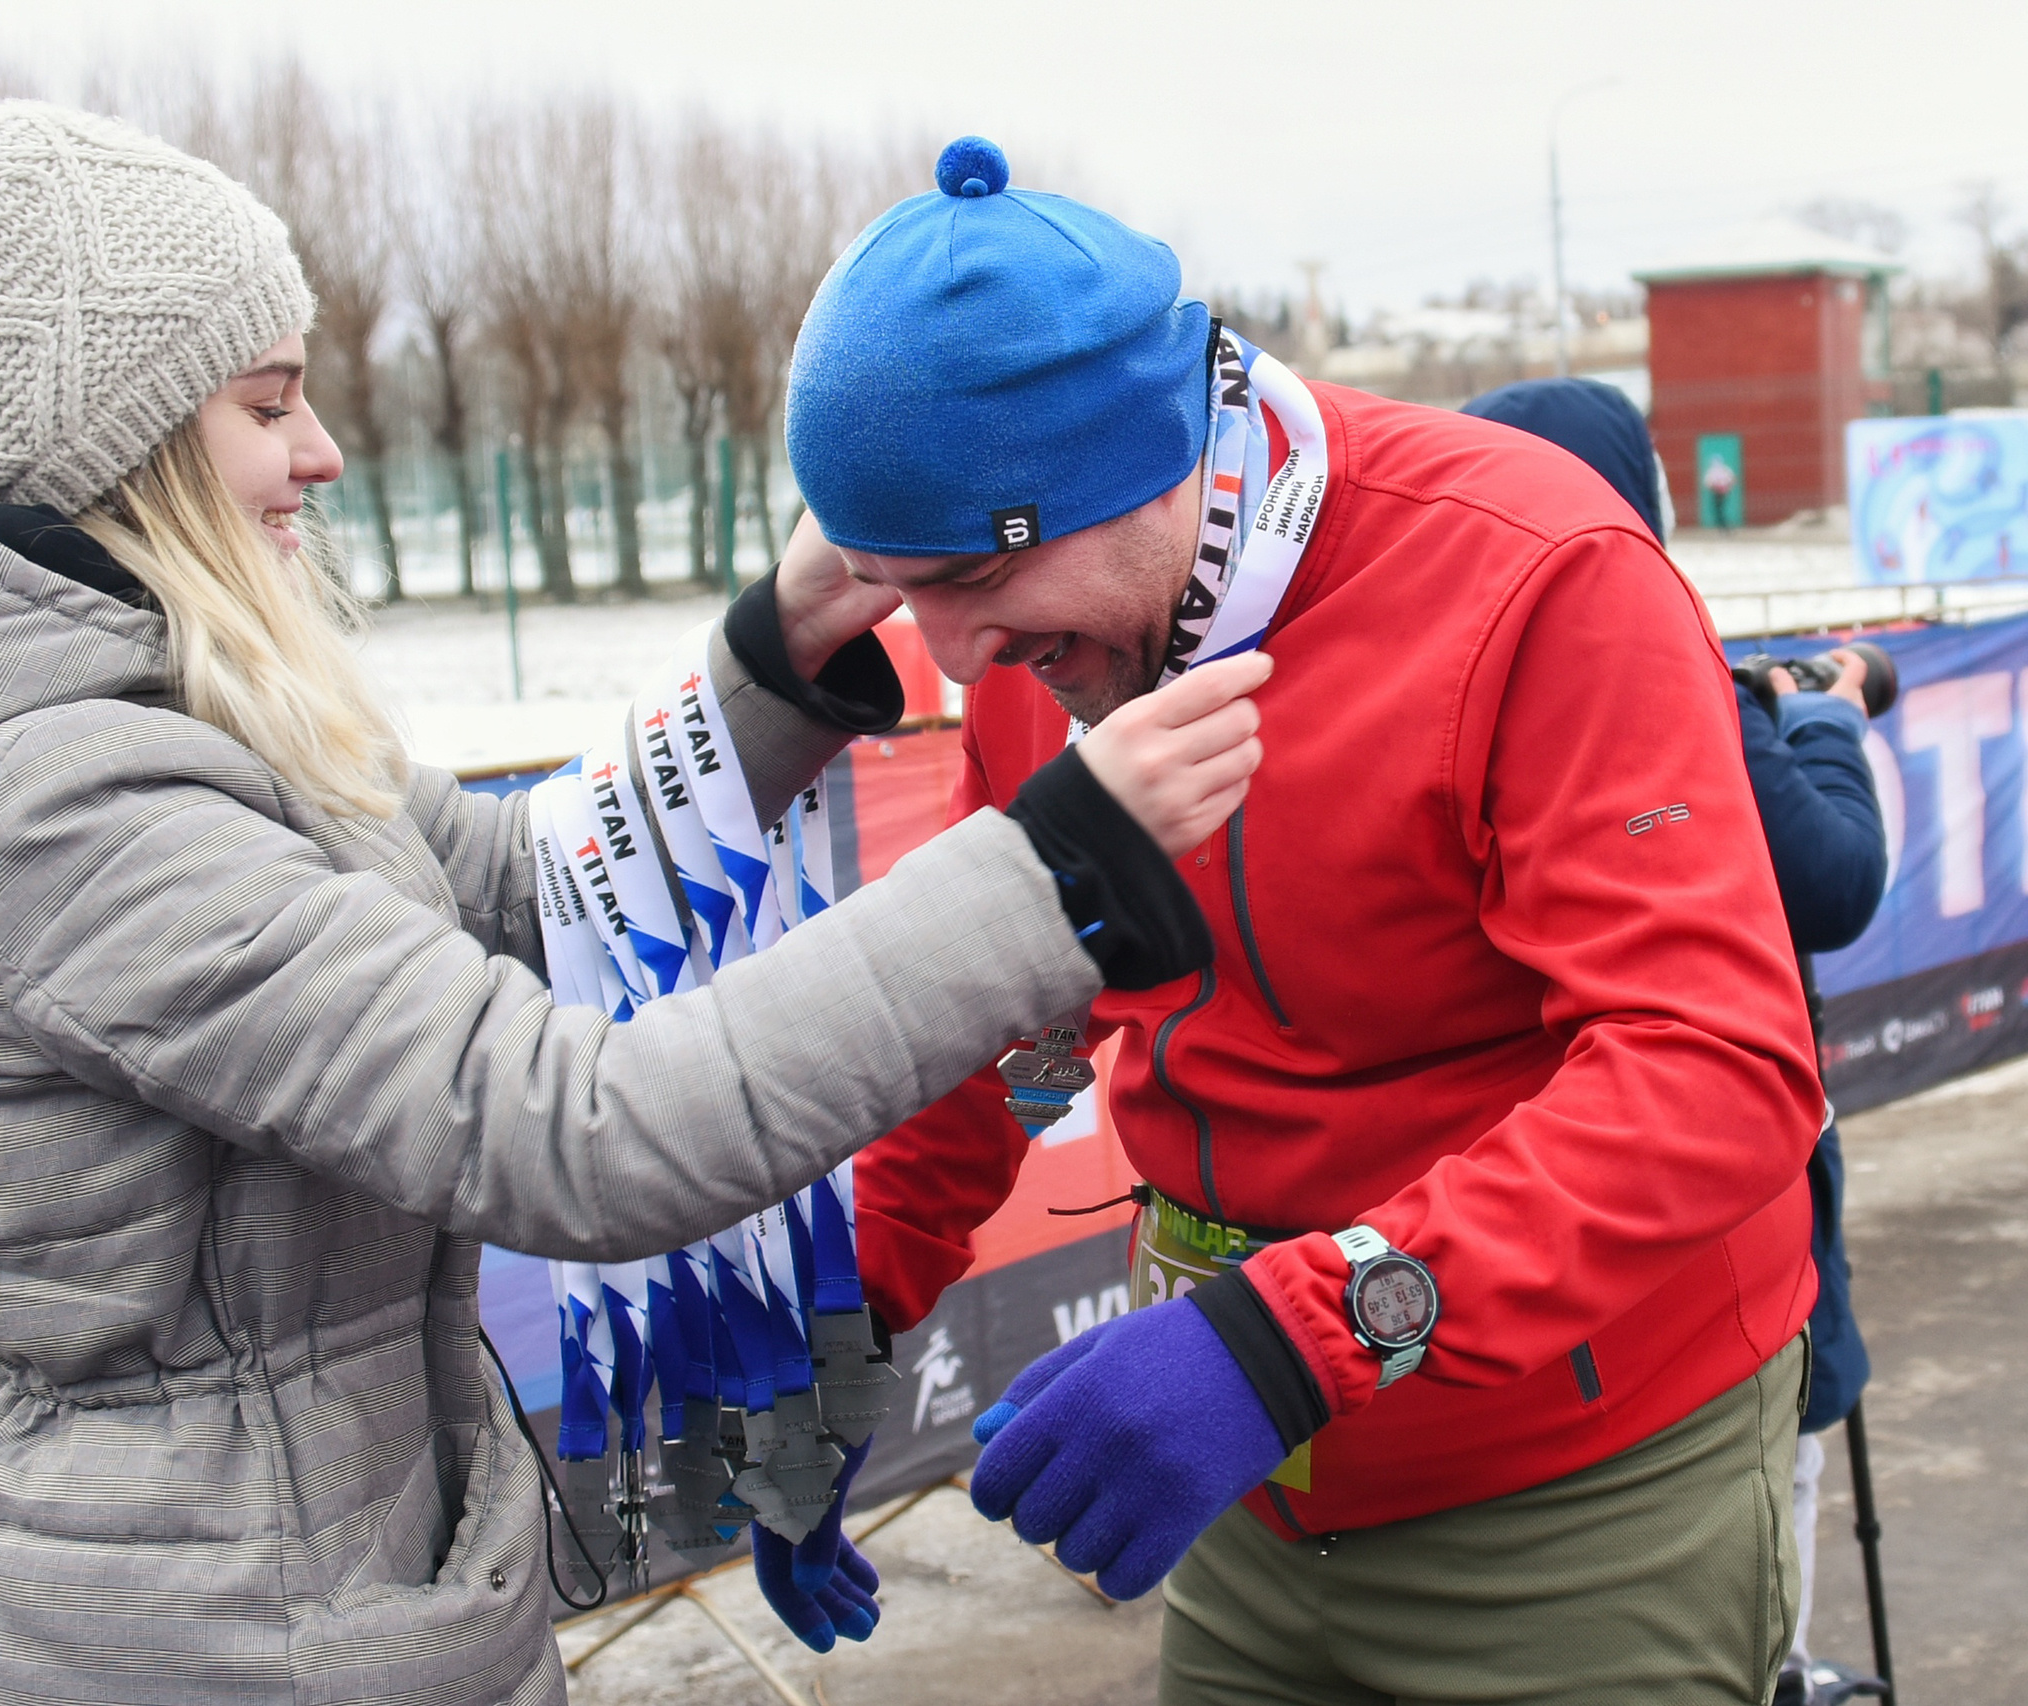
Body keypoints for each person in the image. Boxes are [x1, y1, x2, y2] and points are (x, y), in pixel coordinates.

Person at [0, 72, 1257, 1706]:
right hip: (220, 1641)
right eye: (264, 401)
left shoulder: (181, 720)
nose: (319, 451)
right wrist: (1051, 868)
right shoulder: (68, 809)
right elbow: (571, 1130)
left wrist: (789, 640)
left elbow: (533, 887)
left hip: (333, 1583)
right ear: (119, 442)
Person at [775, 139, 1826, 1703]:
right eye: (890, 586)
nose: (954, 652)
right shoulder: (1043, 648)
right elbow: (1015, 1020)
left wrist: (1287, 1341)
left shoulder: (1534, 569)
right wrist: (853, 1317)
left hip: (1580, 1489)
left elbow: (1716, 1071)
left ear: (1137, 457)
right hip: (1255, 1489)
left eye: (970, 576)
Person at [1463, 377, 1890, 1706]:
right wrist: (1819, 715)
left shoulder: (1465, 667)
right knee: (1770, 1479)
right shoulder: (1657, 669)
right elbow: (1830, 879)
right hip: (1687, 1234)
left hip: (1543, 1246)